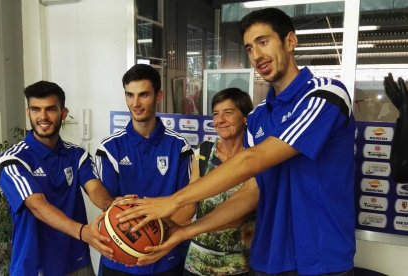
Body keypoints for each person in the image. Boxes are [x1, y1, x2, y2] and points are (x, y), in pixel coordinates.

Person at [121, 8, 356, 276]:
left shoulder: (325, 95)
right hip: (268, 260)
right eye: (249, 48)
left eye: (263, 42)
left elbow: (252, 160)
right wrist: (187, 231)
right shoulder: (258, 118)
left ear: (290, 41)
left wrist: (173, 201)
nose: (256, 56)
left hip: (321, 261)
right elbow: (250, 193)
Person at [0, 81, 114, 276]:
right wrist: (83, 232)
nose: (43, 117)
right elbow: (37, 205)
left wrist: (115, 208)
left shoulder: (77, 154)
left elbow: (95, 190)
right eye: (36, 109)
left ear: (63, 113)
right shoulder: (12, 160)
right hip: (34, 265)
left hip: (76, 261)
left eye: (50, 109)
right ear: (29, 113)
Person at [95, 64, 194, 275]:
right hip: (120, 258)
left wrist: (154, 226)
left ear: (159, 96)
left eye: (143, 95)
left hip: (167, 258)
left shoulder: (180, 147)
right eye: (130, 95)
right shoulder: (110, 148)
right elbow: (109, 205)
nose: (135, 103)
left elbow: (187, 206)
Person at [180, 88, 257, 276]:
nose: (220, 120)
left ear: (245, 117)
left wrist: (186, 231)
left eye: (228, 112)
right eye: (216, 114)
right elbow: (189, 206)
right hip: (196, 263)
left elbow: (238, 216)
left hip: (239, 266)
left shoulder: (255, 158)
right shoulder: (204, 153)